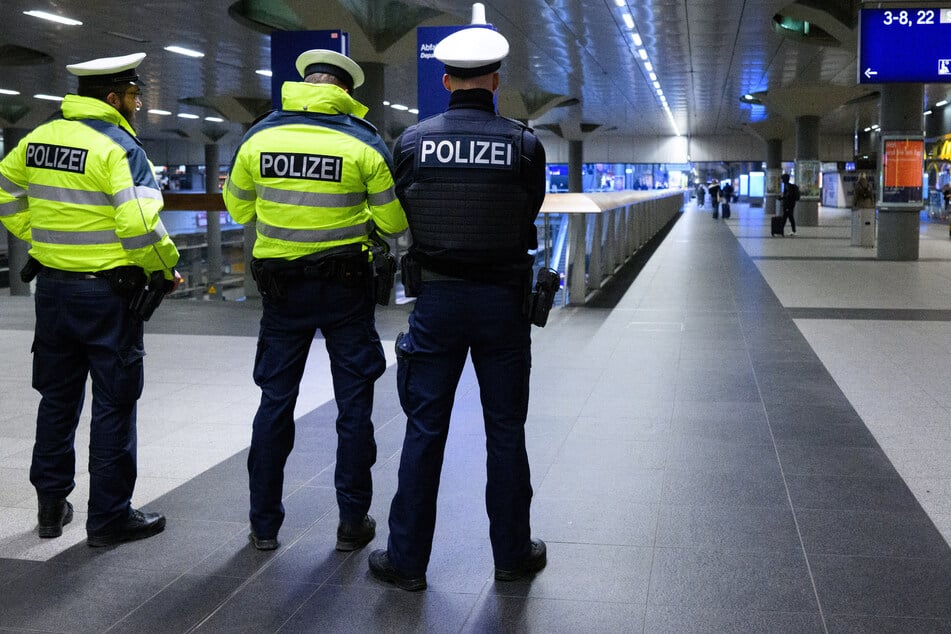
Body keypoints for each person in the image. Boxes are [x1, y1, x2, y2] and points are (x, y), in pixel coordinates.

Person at [368, 15, 548, 592]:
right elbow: (529, 211)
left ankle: (406, 560)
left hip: (437, 301)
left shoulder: (413, 143)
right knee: (505, 431)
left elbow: (402, 215)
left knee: (424, 431)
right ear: (495, 80)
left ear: (445, 80)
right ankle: (512, 555)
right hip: (503, 305)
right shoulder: (524, 145)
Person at [223, 49, 407, 552]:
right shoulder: (364, 143)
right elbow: (394, 223)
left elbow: (238, 207)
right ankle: (352, 522)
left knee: (275, 404)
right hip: (346, 291)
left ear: (303, 83)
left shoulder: (258, 137)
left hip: (281, 293)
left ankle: (263, 526)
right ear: (345, 91)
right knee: (354, 407)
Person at [0, 52, 182, 546]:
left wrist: (40, 239)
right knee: (114, 404)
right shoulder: (119, 147)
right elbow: (139, 224)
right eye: (134, 96)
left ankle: (50, 510)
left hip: (53, 291)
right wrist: (165, 268)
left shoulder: (36, 139)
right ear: (111, 98)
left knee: (56, 400)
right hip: (108, 297)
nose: (139, 104)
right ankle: (108, 519)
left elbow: (5, 194)